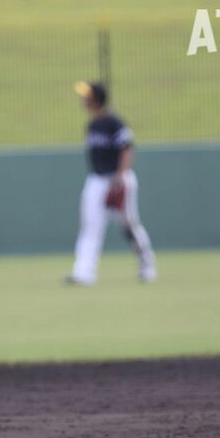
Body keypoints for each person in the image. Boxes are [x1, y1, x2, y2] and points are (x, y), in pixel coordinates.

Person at [68, 81, 156, 285]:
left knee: (129, 225)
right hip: (97, 180)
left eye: (87, 96)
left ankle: (146, 264)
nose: (83, 100)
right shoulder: (92, 124)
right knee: (90, 225)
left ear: (96, 100)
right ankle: (84, 272)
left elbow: (127, 148)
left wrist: (121, 176)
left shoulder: (114, 123)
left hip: (118, 178)